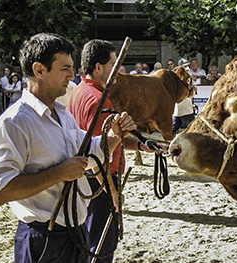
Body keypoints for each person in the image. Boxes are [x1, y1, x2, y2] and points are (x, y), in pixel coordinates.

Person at [0, 33, 137, 263]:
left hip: (75, 231)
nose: (72, 75)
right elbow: (1, 190)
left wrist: (114, 135)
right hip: (43, 237)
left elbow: (88, 151)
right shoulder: (14, 122)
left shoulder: (62, 114)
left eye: (72, 67)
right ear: (39, 70)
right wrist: (58, 173)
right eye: (64, 68)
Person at [69, 39, 156, 263]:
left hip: (87, 180)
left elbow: (102, 141)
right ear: (98, 67)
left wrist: (140, 145)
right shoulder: (96, 99)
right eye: (113, 64)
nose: (119, 69)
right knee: (101, 249)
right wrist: (112, 193)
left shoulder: (80, 92)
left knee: (91, 243)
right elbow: (98, 157)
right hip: (99, 184)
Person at [172, 58, 195, 137]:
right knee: (191, 129)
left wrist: (193, 104)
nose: (188, 68)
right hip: (180, 108)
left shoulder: (189, 78)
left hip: (186, 107)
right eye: (185, 66)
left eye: (188, 66)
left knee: (190, 130)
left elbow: (191, 94)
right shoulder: (176, 79)